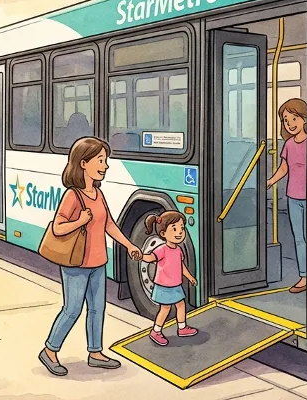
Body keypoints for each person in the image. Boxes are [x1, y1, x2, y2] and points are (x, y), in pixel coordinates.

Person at [39, 137, 142, 377]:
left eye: (105, 161)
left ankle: (95, 352)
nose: (105, 166)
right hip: (77, 263)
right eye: (101, 161)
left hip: (98, 263)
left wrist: (130, 246)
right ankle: (50, 351)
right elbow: (57, 228)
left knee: (97, 309)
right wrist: (80, 221)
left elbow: (110, 225)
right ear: (84, 163)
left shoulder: (97, 194)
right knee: (72, 309)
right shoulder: (73, 196)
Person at [266, 98, 307, 294]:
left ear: (304, 118)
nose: (290, 123)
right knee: (299, 238)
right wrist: (270, 181)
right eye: (285, 120)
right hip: (293, 196)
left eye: (294, 118)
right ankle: (304, 275)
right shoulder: (289, 144)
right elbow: (284, 168)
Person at [142, 210, 199, 346]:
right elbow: (150, 258)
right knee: (165, 309)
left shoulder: (178, 250)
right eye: (174, 229)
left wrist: (190, 277)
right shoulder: (162, 249)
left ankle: (182, 328)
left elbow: (181, 266)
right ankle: (156, 331)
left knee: (180, 305)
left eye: (182, 228)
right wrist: (141, 255)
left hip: (175, 285)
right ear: (163, 234)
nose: (179, 232)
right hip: (164, 286)